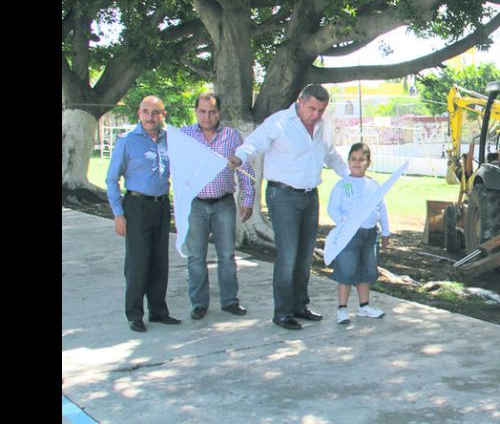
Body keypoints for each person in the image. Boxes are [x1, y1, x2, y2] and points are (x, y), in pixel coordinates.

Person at [227, 84, 349, 330]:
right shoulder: (280, 121)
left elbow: (331, 154)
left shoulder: (322, 126)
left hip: (309, 196)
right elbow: (254, 143)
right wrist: (239, 157)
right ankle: (282, 312)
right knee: (288, 255)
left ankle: (300, 305)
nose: (315, 114)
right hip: (282, 195)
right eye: (312, 108)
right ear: (300, 101)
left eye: (321, 110)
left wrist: (350, 176)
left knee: (305, 255)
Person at [106, 95, 181, 332]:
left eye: (156, 112)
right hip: (136, 206)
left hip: (161, 206)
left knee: (159, 261)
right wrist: (118, 214)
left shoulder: (170, 140)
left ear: (163, 115)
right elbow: (111, 179)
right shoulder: (127, 141)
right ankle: (134, 314)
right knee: (138, 263)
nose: (150, 117)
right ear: (139, 113)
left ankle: (158, 311)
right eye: (146, 112)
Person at [180, 93, 256, 321]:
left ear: (219, 112)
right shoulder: (185, 136)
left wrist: (247, 200)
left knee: (227, 255)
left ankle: (230, 301)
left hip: (223, 203)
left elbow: (245, 169)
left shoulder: (231, 136)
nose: (207, 116)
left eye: (212, 111)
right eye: (202, 111)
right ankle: (199, 304)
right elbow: (175, 166)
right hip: (196, 205)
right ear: (196, 112)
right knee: (196, 257)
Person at [327, 143, 390, 324]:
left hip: (369, 235)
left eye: (362, 159)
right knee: (346, 271)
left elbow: (382, 209)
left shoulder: (374, 185)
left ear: (368, 162)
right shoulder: (343, 185)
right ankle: (342, 309)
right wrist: (344, 224)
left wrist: (386, 232)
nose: (357, 163)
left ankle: (364, 306)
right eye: (353, 159)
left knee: (366, 271)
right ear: (348, 161)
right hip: (349, 236)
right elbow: (333, 208)